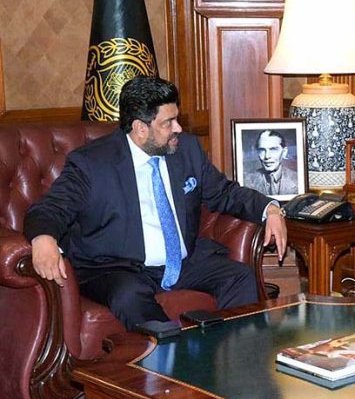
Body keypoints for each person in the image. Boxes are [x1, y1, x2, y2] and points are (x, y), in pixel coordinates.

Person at [24, 76, 287, 330]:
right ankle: (172, 364)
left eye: (177, 119)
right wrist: (43, 238)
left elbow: (224, 193)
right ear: (140, 128)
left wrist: (270, 209)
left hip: (182, 262)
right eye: (168, 122)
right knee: (129, 296)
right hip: (117, 267)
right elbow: (51, 208)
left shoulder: (186, 150)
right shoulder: (91, 164)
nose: (178, 129)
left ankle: (234, 359)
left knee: (239, 277)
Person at [244, 129, 298, 195]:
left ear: (284, 152)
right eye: (262, 150)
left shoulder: (297, 179)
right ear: (257, 152)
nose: (267, 156)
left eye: (273, 149)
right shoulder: (247, 181)